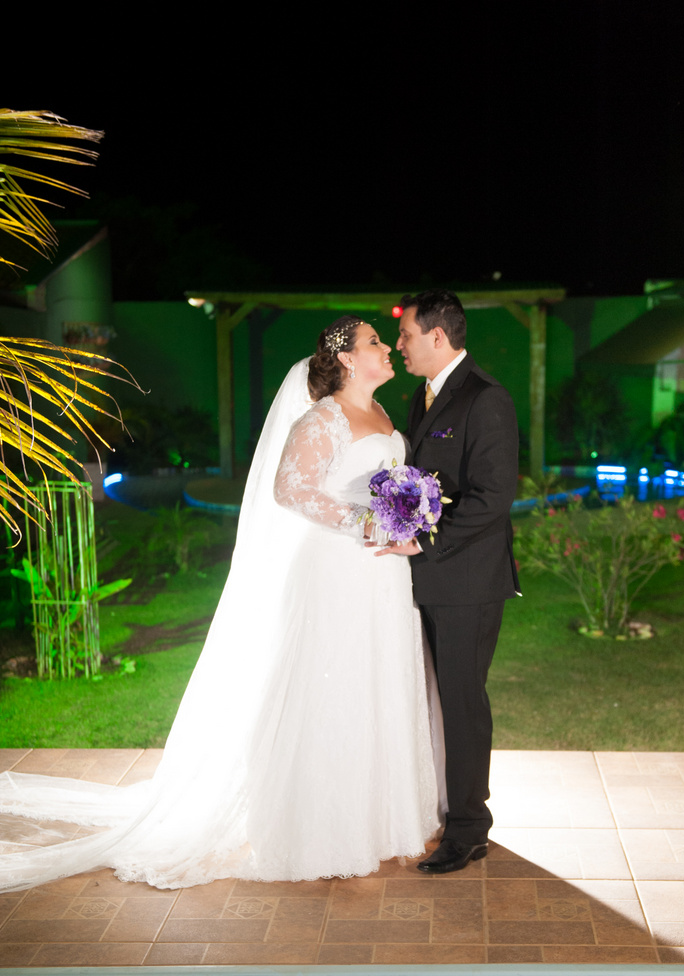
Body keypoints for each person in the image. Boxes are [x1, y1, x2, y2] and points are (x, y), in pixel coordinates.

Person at [0, 317, 441, 891]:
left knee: (378, 682)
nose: (387, 348)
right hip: (335, 570)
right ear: (348, 360)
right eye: (375, 342)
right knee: (333, 686)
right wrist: (369, 522)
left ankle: (379, 821)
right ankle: (326, 830)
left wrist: (407, 516)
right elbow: (290, 490)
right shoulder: (322, 418)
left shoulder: (383, 413)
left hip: (384, 575)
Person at [378, 290, 519, 874]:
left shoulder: (486, 398)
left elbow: (493, 497)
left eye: (406, 335)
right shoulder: (424, 395)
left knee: (461, 704)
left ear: (437, 337)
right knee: (436, 702)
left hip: (468, 583)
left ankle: (468, 830)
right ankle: (443, 809)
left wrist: (426, 542)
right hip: (430, 579)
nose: (398, 345)